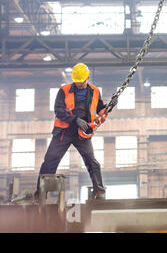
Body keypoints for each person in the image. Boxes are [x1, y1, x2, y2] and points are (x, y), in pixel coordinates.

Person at [35, 63, 116, 200]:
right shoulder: (64, 90)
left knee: (92, 162)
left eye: (81, 81)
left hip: (82, 133)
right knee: (50, 161)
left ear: (87, 77)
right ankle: (40, 194)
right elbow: (59, 111)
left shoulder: (95, 91)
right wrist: (76, 120)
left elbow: (100, 110)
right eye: (77, 81)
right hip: (63, 132)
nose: (79, 84)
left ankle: (99, 192)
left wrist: (111, 105)